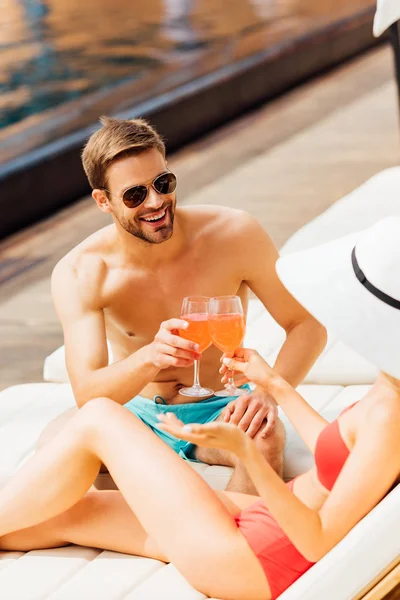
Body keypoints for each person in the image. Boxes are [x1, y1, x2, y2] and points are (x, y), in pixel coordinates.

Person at [1, 217, 399, 600]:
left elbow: (316, 540)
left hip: (251, 557)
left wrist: (248, 455)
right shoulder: (390, 390)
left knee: (99, 418)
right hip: (265, 529)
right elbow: (340, 454)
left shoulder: (389, 418)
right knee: (71, 511)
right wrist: (272, 383)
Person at [39, 116, 327, 493]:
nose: (156, 202)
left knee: (264, 441)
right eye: (134, 195)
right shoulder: (82, 272)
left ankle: (237, 540)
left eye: (163, 184)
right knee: (53, 453)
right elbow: (89, 394)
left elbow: (306, 325)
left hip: (219, 405)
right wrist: (149, 357)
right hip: (134, 412)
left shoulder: (234, 234)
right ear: (103, 201)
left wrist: (266, 394)